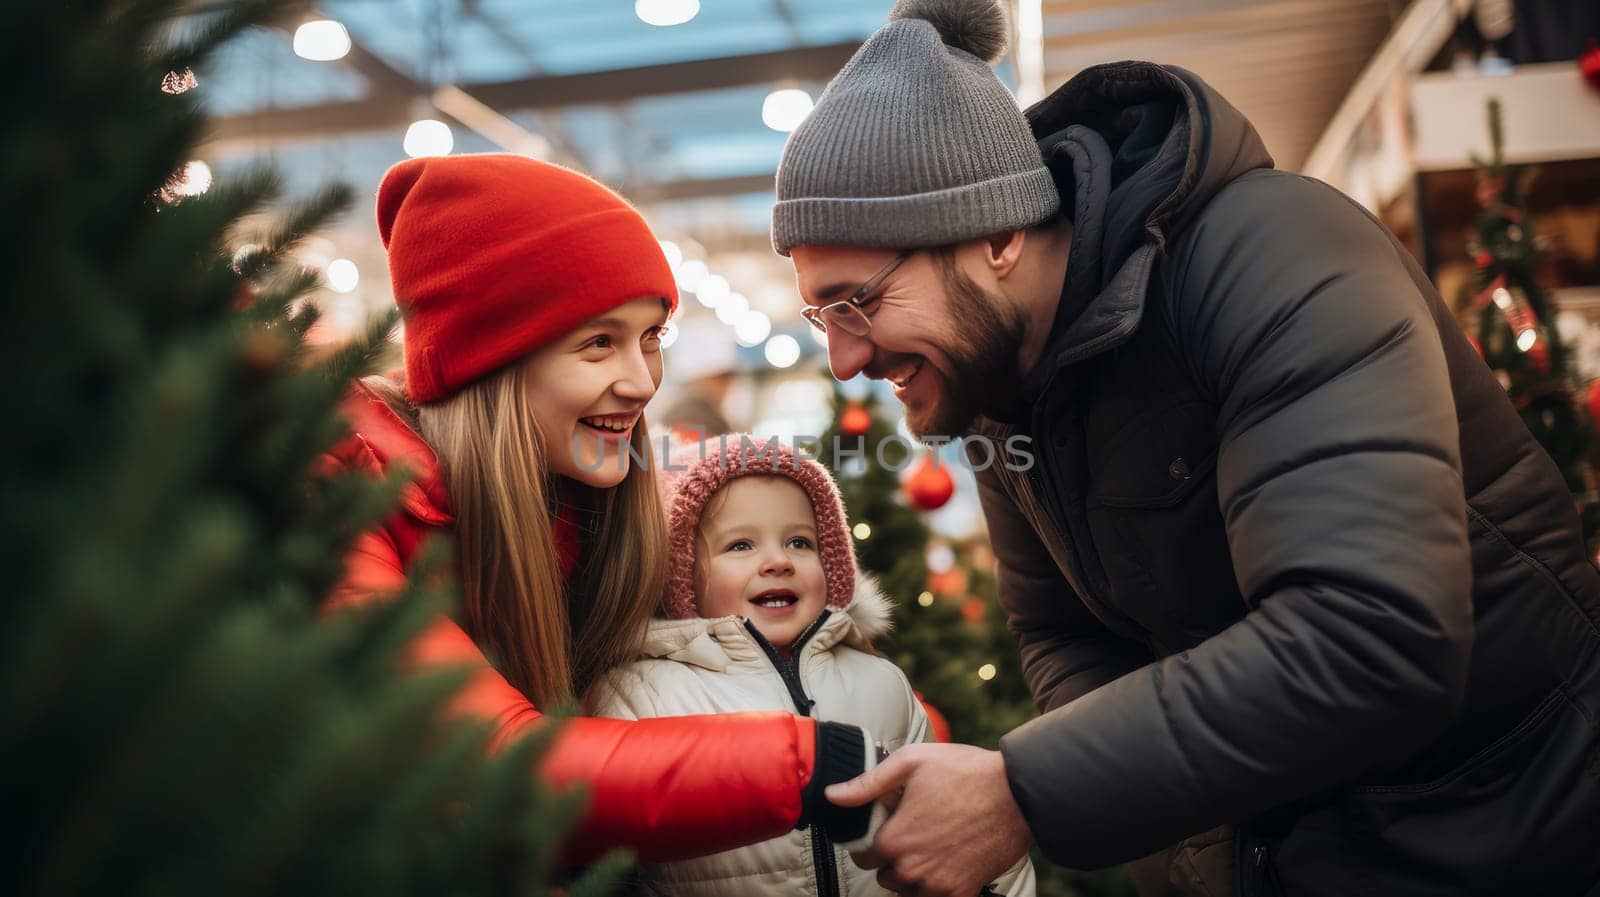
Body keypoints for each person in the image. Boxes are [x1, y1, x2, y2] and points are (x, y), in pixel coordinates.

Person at [772, 1, 1600, 895]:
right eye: (822, 316)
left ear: (998, 235)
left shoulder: (1274, 255)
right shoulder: (998, 385)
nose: (846, 357)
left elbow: (1373, 634)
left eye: (859, 301)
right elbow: (1060, 631)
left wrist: (1025, 792)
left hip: (1515, 830)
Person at [322, 154, 880, 867]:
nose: (644, 380)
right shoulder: (340, 496)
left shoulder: (598, 500)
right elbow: (496, 761)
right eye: (599, 344)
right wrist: (825, 759)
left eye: (651, 338)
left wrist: (883, 714)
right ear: (489, 360)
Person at [591, 435, 1034, 897]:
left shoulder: (878, 682)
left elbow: (958, 823)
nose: (778, 561)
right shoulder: (640, 696)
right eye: (741, 545)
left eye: (800, 541)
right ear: (679, 571)